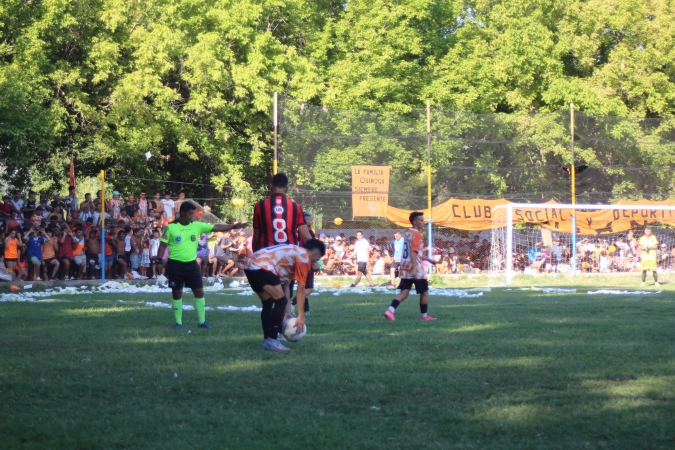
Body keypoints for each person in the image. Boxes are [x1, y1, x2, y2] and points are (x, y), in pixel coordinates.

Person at [158, 202, 247, 329]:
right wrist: (158, 259)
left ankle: (202, 322)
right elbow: (162, 245)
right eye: (190, 213)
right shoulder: (170, 227)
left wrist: (233, 225)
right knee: (177, 293)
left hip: (191, 265)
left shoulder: (197, 225)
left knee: (199, 291)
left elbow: (216, 227)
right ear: (182, 213)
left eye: (193, 214)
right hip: (175, 265)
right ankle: (178, 322)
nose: (192, 216)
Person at [244, 239, 325, 352]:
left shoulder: (294, 253)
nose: (315, 263)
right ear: (315, 254)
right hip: (261, 266)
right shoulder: (304, 258)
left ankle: (268, 340)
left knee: (268, 303)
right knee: (280, 301)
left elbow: (286, 285)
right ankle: (273, 340)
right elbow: (301, 289)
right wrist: (301, 316)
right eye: (317, 260)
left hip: (250, 264)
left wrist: (287, 312)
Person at [384, 212, 439, 322]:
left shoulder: (407, 233)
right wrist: (414, 268)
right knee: (424, 291)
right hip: (415, 268)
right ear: (414, 222)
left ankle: (390, 311)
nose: (423, 222)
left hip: (405, 267)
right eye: (421, 220)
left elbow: (415, 252)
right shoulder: (417, 235)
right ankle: (424, 316)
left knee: (404, 292)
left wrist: (429, 259)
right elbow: (413, 253)